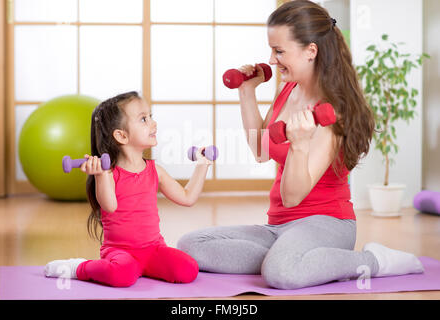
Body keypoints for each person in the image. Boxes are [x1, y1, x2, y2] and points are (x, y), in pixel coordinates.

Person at [177, 0, 424, 290]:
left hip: (326, 224)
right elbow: (260, 150)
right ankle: (294, 256)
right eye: (271, 50)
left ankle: (374, 261)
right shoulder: (289, 88)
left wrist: (300, 145)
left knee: (281, 274)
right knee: (190, 245)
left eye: (279, 51)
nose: (271, 60)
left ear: (311, 51)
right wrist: (247, 91)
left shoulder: (333, 111)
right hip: (278, 227)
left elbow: (293, 197)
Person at [44, 91, 213, 287]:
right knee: (121, 275)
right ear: (122, 135)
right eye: (143, 119)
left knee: (188, 269)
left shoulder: (154, 170)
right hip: (119, 252)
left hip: (153, 249)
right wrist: (101, 175)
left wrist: (203, 165)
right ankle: (78, 268)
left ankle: (142, 268)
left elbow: (187, 197)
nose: (153, 123)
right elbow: (109, 206)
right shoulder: (109, 173)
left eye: (151, 117)